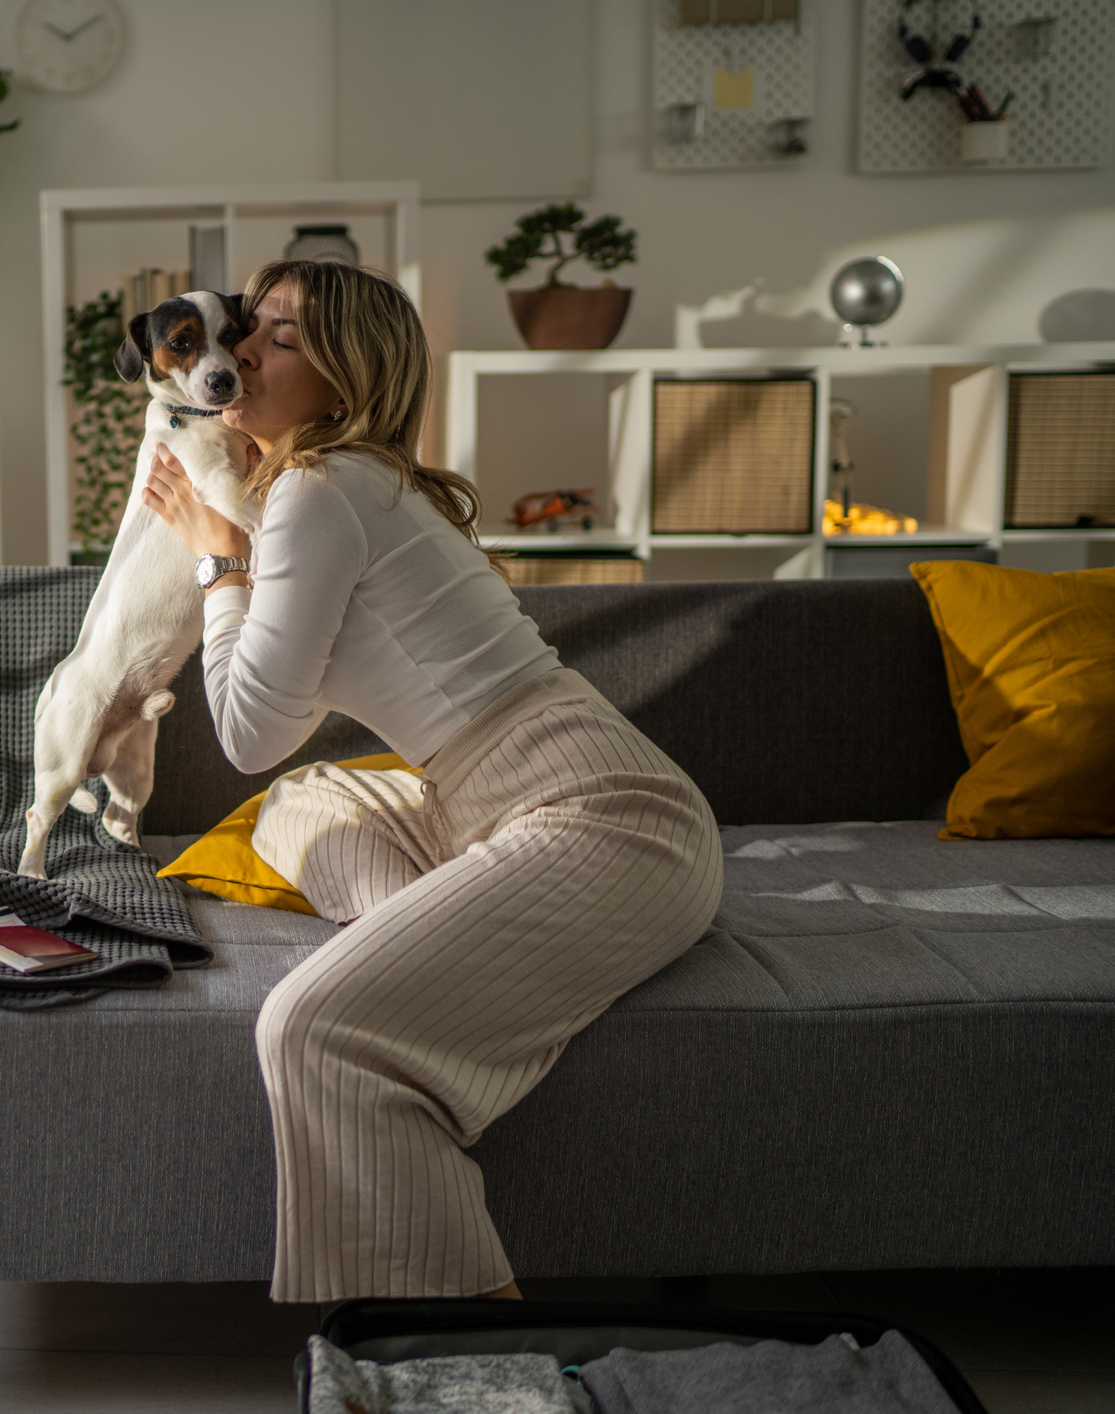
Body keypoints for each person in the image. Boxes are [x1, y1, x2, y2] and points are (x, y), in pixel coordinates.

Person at [141, 260, 723, 1304]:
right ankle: (439, 951)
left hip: (601, 818)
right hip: (489, 802)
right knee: (301, 805)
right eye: (244, 331)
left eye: (279, 337)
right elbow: (282, 746)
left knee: (312, 1025)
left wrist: (218, 558)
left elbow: (247, 729)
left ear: (347, 381)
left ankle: (477, 1338)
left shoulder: (319, 492)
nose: (240, 355)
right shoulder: (335, 484)